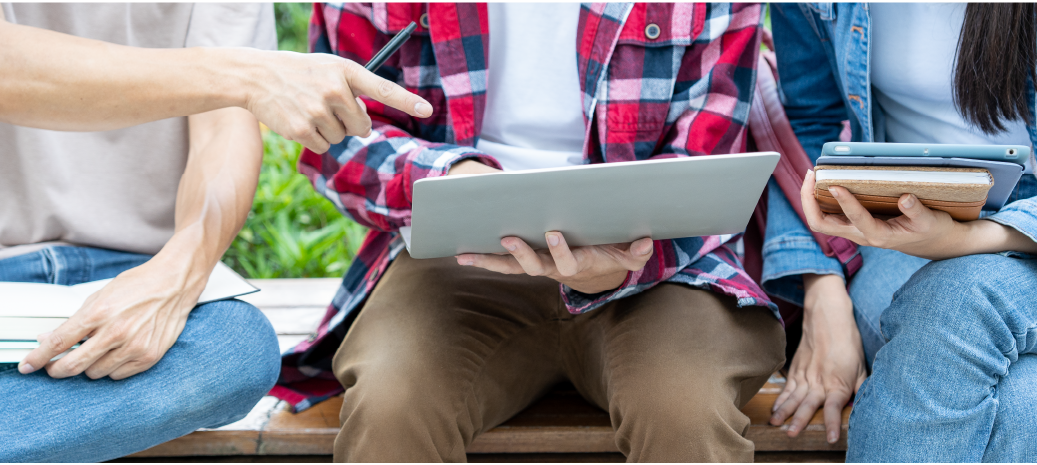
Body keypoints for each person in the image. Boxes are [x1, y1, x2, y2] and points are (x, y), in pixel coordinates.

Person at [0, 2, 434, 461]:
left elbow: (222, 137)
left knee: (236, 347)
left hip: (128, 275)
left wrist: (179, 270)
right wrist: (249, 72)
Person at [276, 2, 784, 462]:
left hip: (658, 269)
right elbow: (336, 135)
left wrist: (619, 260)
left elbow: (708, 153)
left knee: (684, 412)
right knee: (391, 410)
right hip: (455, 261)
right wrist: (451, 177)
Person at [760, 2, 1037, 461]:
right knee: (1024, 405)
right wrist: (822, 288)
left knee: (958, 301)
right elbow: (807, 125)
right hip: (901, 232)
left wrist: (968, 240)